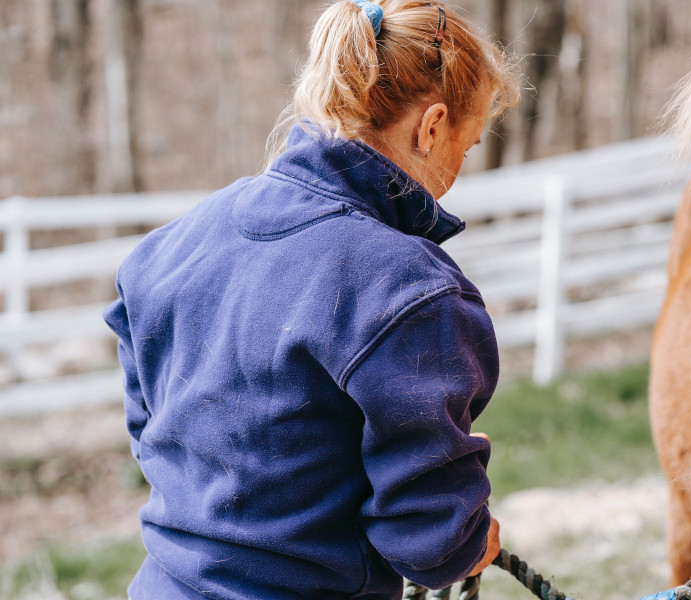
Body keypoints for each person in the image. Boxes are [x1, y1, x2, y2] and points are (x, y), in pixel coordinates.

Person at [102, 1, 519, 598]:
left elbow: (151, 431)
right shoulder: (410, 290)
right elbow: (429, 540)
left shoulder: (168, 249)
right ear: (430, 127)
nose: (457, 170)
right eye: (466, 145)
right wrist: (469, 544)